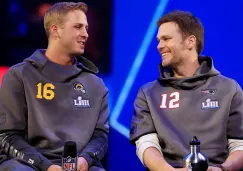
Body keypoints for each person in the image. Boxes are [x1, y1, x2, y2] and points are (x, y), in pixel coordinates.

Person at [0, 2, 109, 171]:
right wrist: (46, 166)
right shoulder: (19, 76)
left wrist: (86, 160)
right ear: (55, 30)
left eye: (86, 28)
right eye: (78, 27)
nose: (85, 34)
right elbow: (8, 136)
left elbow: (100, 136)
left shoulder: (95, 84)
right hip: (27, 164)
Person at [130, 10, 243, 171]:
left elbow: (240, 145)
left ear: (190, 42)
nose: (159, 46)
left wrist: (222, 169)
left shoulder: (229, 89)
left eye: (166, 39)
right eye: (158, 40)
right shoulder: (148, 93)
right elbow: (146, 144)